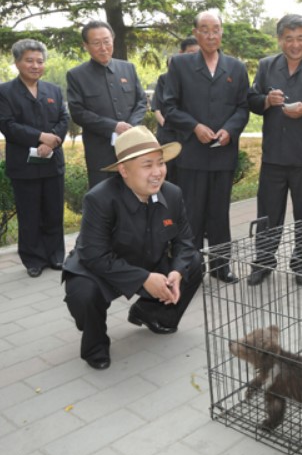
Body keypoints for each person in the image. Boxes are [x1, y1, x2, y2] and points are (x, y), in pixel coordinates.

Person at [63, 126, 202, 370]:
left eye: (160, 163)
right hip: (103, 269)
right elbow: (94, 256)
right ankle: (95, 344)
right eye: (147, 165)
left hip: (148, 260)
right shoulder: (100, 199)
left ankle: (151, 313)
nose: (157, 172)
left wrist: (177, 272)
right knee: (83, 293)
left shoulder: (173, 194)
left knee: (194, 262)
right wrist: (144, 279)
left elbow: (185, 242)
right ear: (124, 171)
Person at [246, 14, 302, 286]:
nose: (295, 44)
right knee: (267, 214)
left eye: (301, 38)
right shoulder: (266, 66)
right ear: (280, 40)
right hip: (274, 155)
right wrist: (266, 100)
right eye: (289, 38)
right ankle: (263, 262)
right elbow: (251, 100)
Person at [162, 11, 250, 284]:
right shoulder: (180, 64)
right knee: (192, 215)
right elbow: (169, 105)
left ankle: (221, 267)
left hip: (223, 153)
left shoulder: (236, 67)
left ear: (222, 32)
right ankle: (191, 268)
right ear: (196, 33)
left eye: (216, 29)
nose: (211, 35)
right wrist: (194, 127)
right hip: (192, 154)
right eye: (205, 29)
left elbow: (243, 107)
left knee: (220, 214)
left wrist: (230, 130)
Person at [0, 39, 69, 278]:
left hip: (52, 162)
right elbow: (8, 125)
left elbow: (63, 120)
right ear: (17, 62)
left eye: (40, 61)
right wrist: (40, 137)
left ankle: (56, 256)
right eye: (29, 60)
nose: (35, 65)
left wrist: (53, 140)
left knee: (53, 212)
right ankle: (33, 259)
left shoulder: (53, 90)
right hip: (24, 165)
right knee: (29, 214)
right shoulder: (5, 91)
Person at [67, 20, 147, 188]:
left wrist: (130, 127)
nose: (103, 47)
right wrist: (113, 126)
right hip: (100, 151)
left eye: (106, 41)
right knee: (104, 200)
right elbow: (78, 112)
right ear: (86, 46)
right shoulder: (76, 75)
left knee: (136, 194)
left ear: (113, 40)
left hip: (133, 147)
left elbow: (141, 101)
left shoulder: (128, 68)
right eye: (96, 43)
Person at [151, 37, 200, 182]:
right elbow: (158, 108)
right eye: (190, 53)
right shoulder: (165, 79)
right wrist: (167, 125)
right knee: (168, 176)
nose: (193, 57)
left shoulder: (200, 79)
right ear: (180, 53)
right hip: (169, 135)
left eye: (197, 53)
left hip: (191, 137)